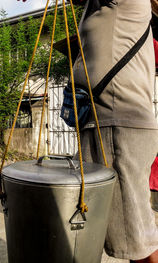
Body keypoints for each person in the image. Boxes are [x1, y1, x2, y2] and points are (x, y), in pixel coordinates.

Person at [70, 0, 158, 262]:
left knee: (136, 239)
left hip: (117, 121)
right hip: (102, 120)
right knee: (89, 224)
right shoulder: (95, 6)